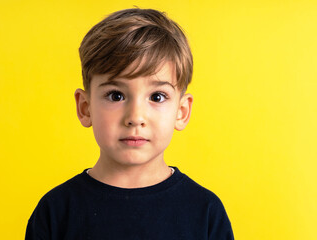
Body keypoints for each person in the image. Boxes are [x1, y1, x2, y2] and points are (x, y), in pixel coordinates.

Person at [26, 8, 234, 240]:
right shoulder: (55, 213)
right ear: (85, 107)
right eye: (116, 95)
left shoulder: (205, 213)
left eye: (157, 97)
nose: (135, 117)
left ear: (182, 111)